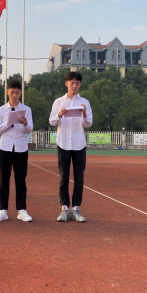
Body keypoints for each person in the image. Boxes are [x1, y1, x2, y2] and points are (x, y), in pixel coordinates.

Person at [49, 71, 93, 222]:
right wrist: (59, 114)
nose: (74, 86)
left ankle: (76, 209)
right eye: (72, 83)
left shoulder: (85, 102)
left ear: (80, 85)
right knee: (63, 178)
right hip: (63, 144)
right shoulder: (58, 102)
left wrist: (84, 114)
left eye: (77, 83)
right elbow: (52, 121)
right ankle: (64, 208)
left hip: (79, 143)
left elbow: (88, 124)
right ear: (66, 83)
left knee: (79, 178)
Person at [0, 80, 34, 222]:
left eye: (17, 92)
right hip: (5, 147)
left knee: (20, 180)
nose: (14, 95)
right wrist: (7, 123)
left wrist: (25, 123)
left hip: (21, 147)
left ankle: (22, 210)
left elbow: (29, 130)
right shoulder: (1, 110)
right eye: (12, 92)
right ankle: (2, 210)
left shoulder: (26, 109)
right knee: (3, 180)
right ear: (7, 92)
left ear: (20, 93)